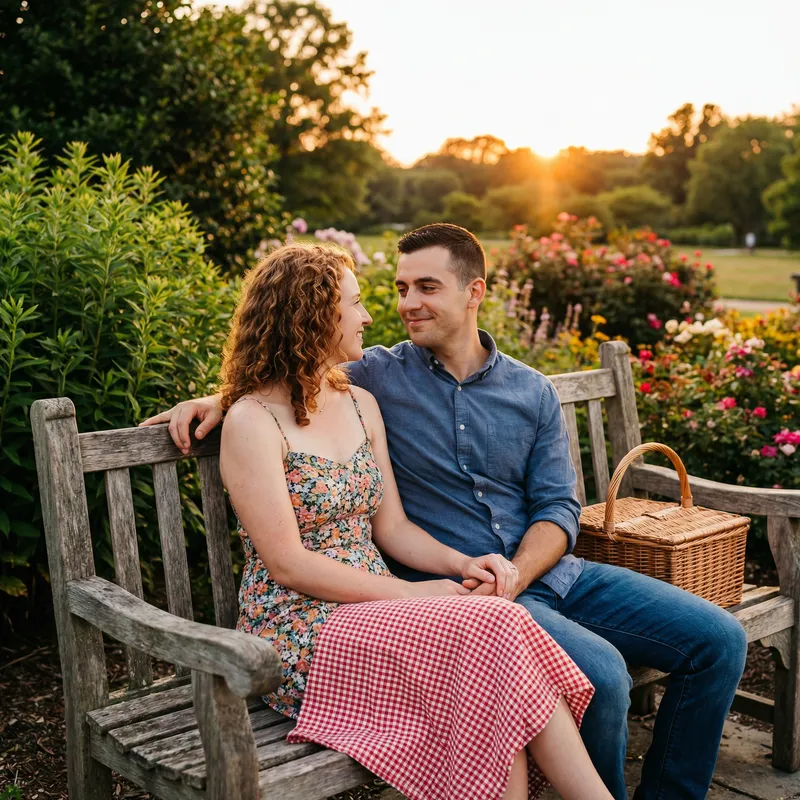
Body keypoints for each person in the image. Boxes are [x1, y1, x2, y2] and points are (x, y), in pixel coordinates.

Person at [143, 224, 748, 800]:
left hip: (530, 575)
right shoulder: (378, 375)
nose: (397, 306)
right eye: (393, 290)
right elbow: (277, 383)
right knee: (601, 676)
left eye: (425, 288)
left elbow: (556, 506)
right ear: (315, 315)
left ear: (474, 292)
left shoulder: (513, 391)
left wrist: (497, 571)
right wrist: (221, 401)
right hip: (391, 604)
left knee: (720, 639)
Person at [194, 242, 611, 800]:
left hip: (376, 608)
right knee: (495, 633)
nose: (369, 316)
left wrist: (466, 564)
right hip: (301, 629)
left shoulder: (361, 403)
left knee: (494, 641)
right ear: (312, 315)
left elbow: (392, 529)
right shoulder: (252, 421)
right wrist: (421, 595)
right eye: (355, 303)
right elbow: (289, 565)